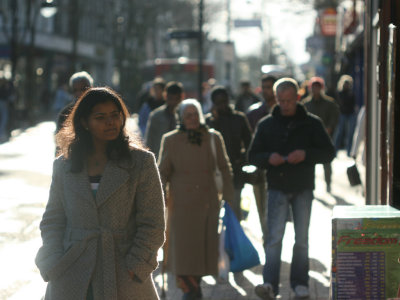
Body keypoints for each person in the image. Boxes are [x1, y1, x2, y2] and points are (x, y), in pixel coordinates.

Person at [35, 87, 165, 300]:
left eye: (115, 115)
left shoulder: (141, 163)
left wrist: (136, 264)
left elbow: (153, 223)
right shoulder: (64, 166)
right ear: (85, 122)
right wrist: (51, 259)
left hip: (123, 272)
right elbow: (52, 219)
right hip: (71, 269)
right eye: (100, 117)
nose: (111, 122)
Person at [249, 78, 335, 299]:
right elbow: (252, 155)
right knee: (274, 238)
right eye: (281, 101)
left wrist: (306, 154)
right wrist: (270, 158)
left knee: (302, 239)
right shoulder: (267, 124)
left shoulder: (312, 123)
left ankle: (300, 283)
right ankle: (269, 284)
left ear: (297, 98)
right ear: (276, 99)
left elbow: (329, 152)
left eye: (289, 100)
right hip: (277, 186)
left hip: (303, 186)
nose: (285, 105)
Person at [158, 99, 234, 300]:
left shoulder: (213, 137)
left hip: (208, 203)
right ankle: (190, 291)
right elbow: (162, 172)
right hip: (181, 205)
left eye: (195, 114)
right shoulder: (171, 140)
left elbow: (225, 169)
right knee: (183, 250)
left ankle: (195, 287)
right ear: (181, 118)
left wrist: (230, 200)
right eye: (187, 115)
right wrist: (160, 196)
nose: (192, 118)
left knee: (203, 249)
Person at [206, 86, 252, 221]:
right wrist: (215, 120)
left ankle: (234, 239)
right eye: (219, 103)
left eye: (224, 101)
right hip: (213, 171)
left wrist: (242, 160)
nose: (223, 106)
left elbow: (249, 142)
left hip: (235, 170)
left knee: (235, 209)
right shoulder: (208, 121)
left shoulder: (239, 118)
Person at [246, 75, 277, 242]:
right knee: (262, 208)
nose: (266, 91)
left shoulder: (285, 112)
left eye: (269, 87)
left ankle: (273, 240)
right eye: (264, 87)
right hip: (260, 169)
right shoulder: (254, 113)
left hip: (280, 170)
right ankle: (268, 240)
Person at [302, 76, 339, 193]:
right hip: (309, 138)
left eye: (317, 87)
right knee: (310, 162)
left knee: (327, 162)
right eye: (313, 87)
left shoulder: (329, 103)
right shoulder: (305, 104)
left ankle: (328, 183)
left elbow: (335, 116)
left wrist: (330, 127)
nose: (315, 90)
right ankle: (310, 185)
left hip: (325, 137)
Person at [145, 81, 184, 159]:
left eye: (176, 99)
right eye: (171, 99)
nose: (173, 102)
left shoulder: (186, 115)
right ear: (165, 96)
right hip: (161, 158)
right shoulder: (156, 116)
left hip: (182, 158)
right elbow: (149, 141)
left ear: (182, 97)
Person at [333, 74, 357, 156]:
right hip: (342, 114)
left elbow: (353, 103)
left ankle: (349, 151)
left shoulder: (351, 93)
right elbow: (340, 103)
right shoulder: (339, 93)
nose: (346, 85)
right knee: (339, 132)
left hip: (350, 114)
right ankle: (335, 150)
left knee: (350, 133)